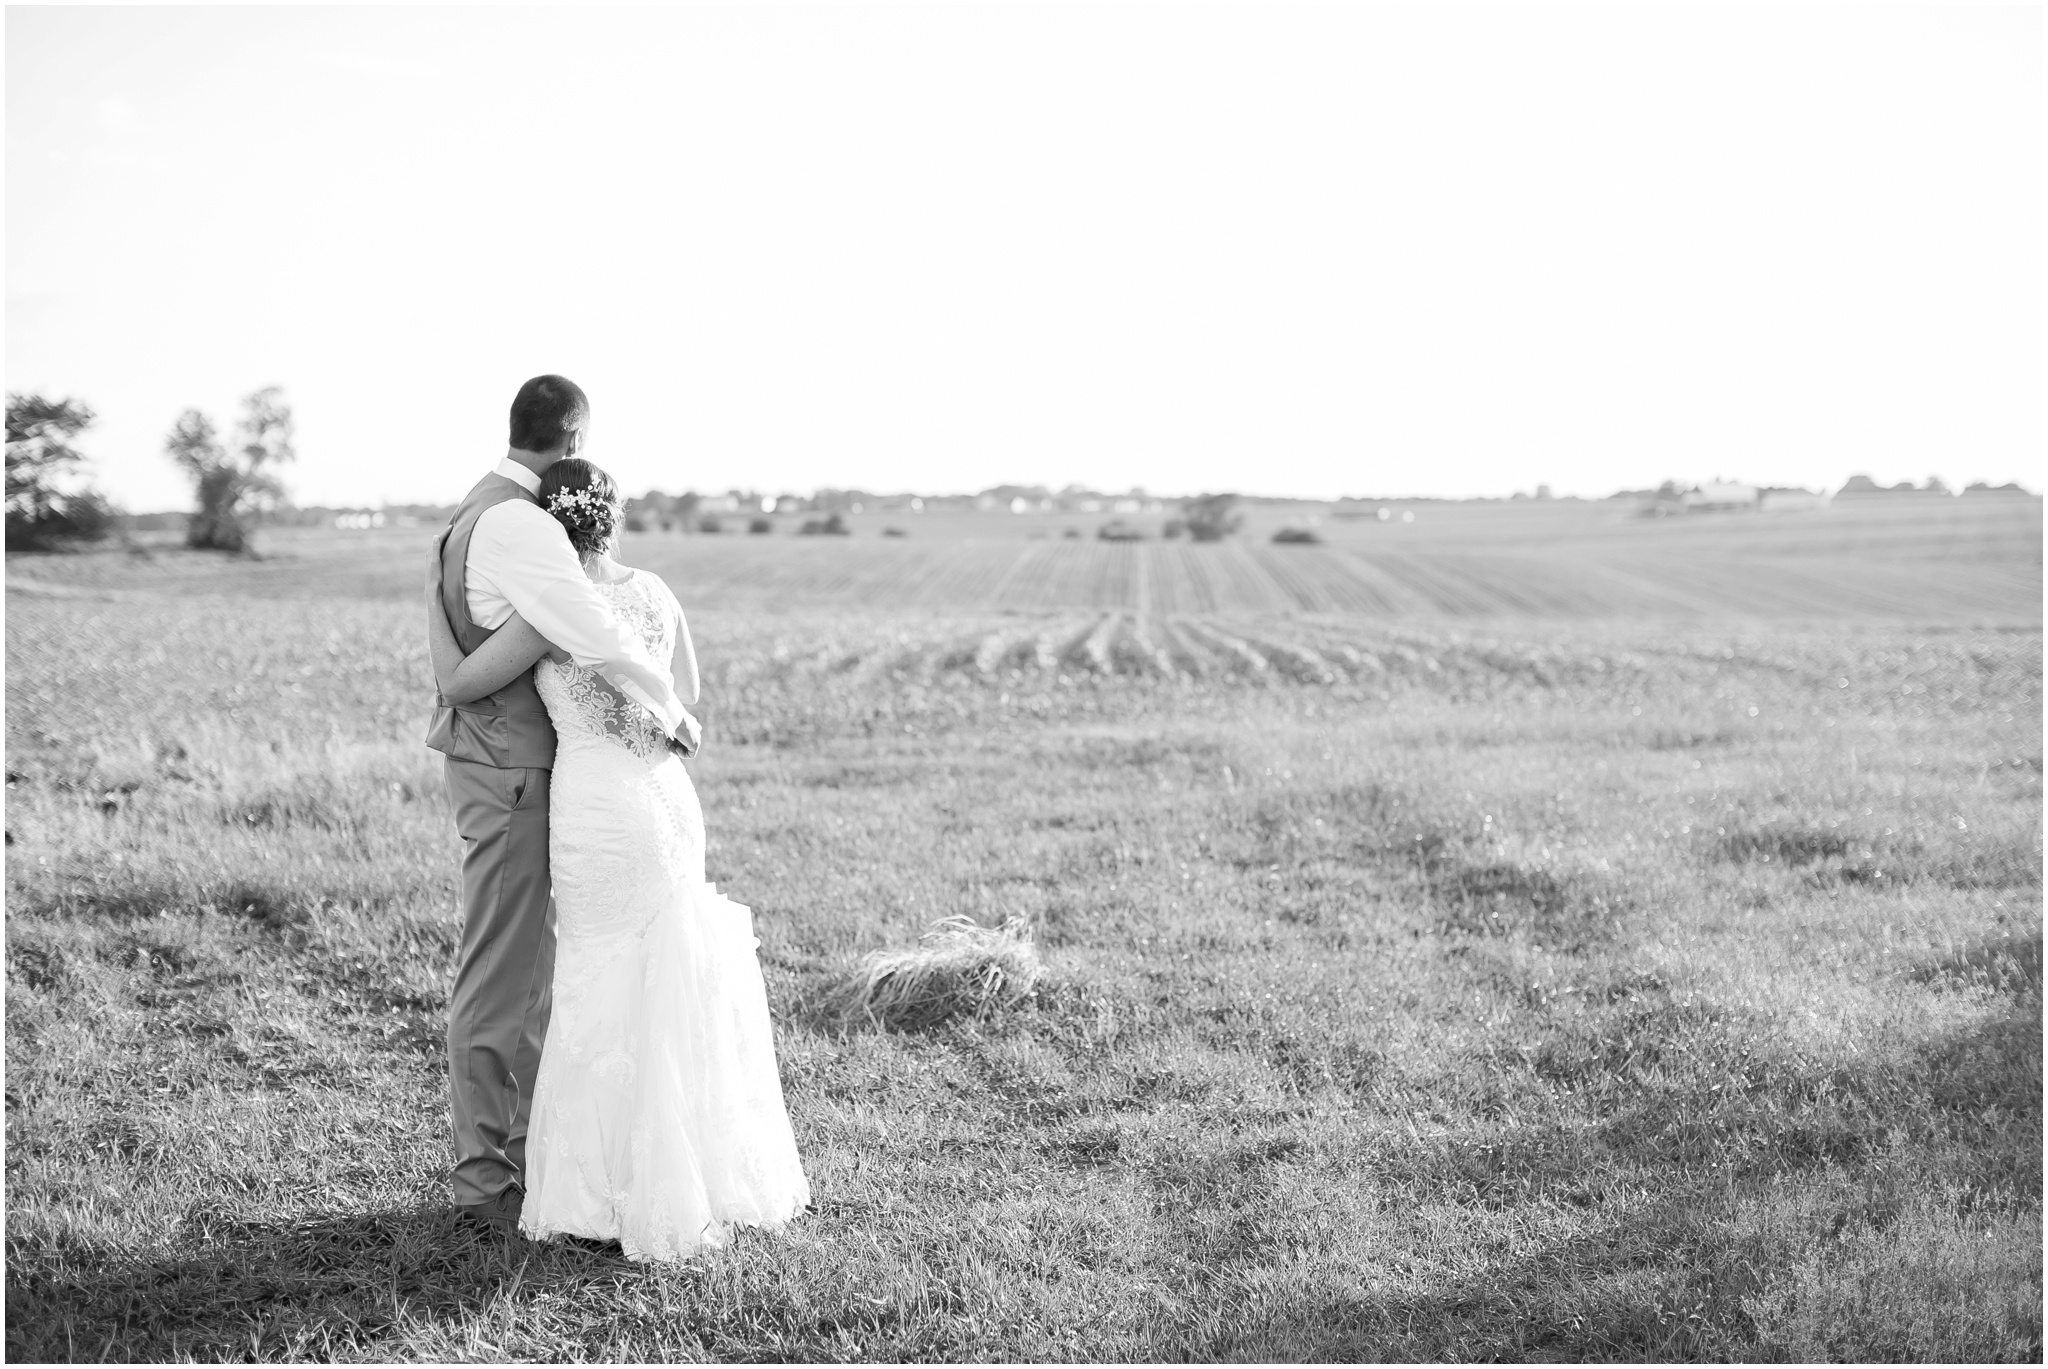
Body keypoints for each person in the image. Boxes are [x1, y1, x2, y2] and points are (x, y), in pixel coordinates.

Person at [425, 454, 810, 1261]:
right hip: (664, 798)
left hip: (596, 809)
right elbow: (687, 688)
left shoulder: (549, 613)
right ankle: (692, 1169)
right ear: (615, 515)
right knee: (668, 968)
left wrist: (437, 601)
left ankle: (596, 1188)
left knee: (598, 975)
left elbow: (462, 684)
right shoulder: (655, 593)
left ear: (550, 529)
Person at [425, 375, 699, 1236]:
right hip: (515, 771)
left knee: (545, 973)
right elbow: (587, 622)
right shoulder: (517, 524)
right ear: (575, 437)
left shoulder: (483, 506)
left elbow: (478, 663)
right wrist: (671, 709)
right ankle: (483, 1178)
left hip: (543, 773)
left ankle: (529, 1150)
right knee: (505, 971)